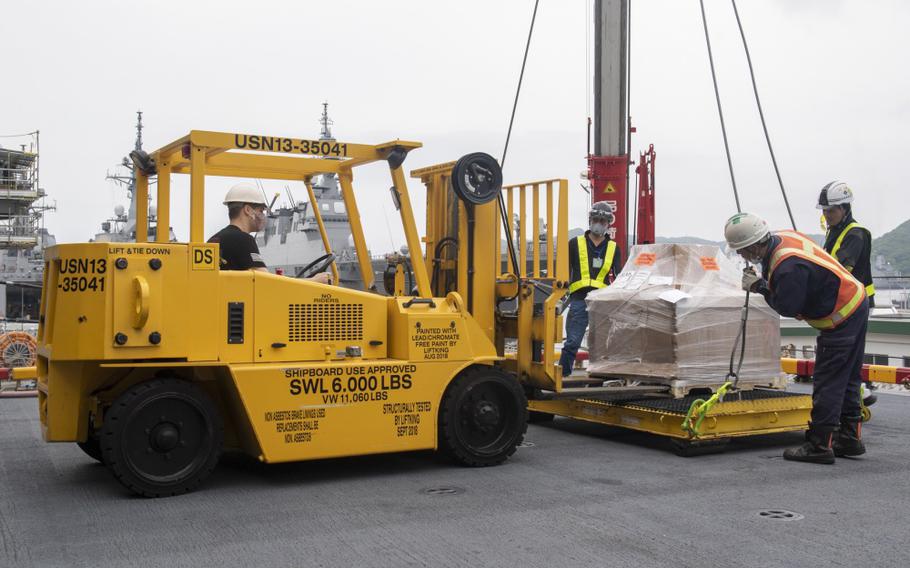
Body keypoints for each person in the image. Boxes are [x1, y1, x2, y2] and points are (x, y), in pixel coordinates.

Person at [725, 212, 868, 464]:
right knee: (847, 376)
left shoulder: (788, 267)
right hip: (854, 303)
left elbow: (788, 307)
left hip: (842, 315)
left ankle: (819, 445)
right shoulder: (784, 238)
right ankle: (849, 437)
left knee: (829, 380)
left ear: (753, 245)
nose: (741, 256)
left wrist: (758, 286)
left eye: (741, 251)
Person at [817, 180, 877, 405]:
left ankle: (856, 393)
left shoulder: (856, 234)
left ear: (844, 208)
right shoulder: (834, 232)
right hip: (844, 302)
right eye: (824, 210)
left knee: (849, 352)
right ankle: (853, 393)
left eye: (831, 210)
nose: (827, 215)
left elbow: (841, 268)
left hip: (856, 303)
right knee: (846, 352)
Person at [208, 182, 331, 283]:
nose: (263, 216)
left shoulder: (215, 239)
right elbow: (268, 283)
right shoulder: (243, 239)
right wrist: (314, 281)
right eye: (261, 211)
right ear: (248, 210)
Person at [559, 201, 623, 378]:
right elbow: (563, 272)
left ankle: (600, 376)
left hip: (601, 303)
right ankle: (562, 377)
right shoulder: (575, 243)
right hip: (579, 301)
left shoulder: (613, 248)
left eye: (603, 221)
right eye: (596, 219)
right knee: (572, 342)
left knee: (602, 343)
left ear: (608, 224)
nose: (599, 223)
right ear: (590, 220)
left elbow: (618, 276)